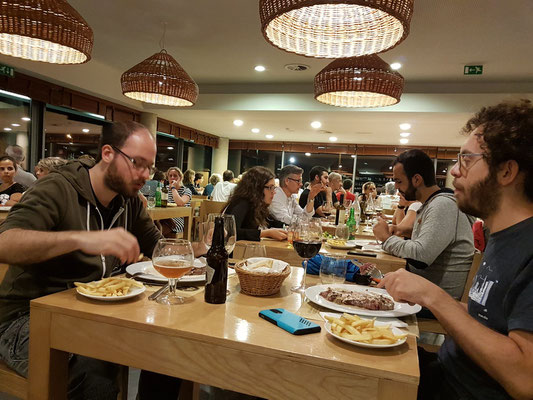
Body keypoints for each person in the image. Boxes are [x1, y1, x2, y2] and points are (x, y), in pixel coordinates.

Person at [0, 121, 180, 399]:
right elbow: (5, 243)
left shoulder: (128, 198)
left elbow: (159, 247)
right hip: (26, 318)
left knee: (166, 344)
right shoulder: (58, 187)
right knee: (94, 367)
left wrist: (201, 248)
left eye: (150, 167)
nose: (145, 174)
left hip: (86, 311)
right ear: (108, 153)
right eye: (137, 163)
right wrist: (80, 239)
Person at [378, 99, 533, 400]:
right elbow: (488, 319)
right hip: (446, 372)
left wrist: (430, 295)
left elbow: (525, 377)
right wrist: (421, 294)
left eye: (466, 160)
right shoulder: (504, 237)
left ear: (506, 172)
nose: (454, 171)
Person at [373, 149, 475, 301]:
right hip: (425, 293)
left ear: (417, 180)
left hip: (439, 303)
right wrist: (406, 231)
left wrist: (386, 239)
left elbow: (421, 257)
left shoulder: (443, 205)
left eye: (399, 181)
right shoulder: (432, 204)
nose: (396, 187)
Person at [224, 166, 287, 241]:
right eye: (270, 187)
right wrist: (266, 233)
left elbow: (273, 222)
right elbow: (230, 231)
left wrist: (289, 228)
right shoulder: (242, 203)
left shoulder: (257, 205)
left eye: (274, 188)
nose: (274, 192)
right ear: (257, 188)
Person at [160, 167, 192, 237]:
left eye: (175, 176)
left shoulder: (186, 190)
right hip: (164, 216)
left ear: (180, 177)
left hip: (179, 219)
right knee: (152, 224)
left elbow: (180, 203)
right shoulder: (165, 189)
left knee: (160, 228)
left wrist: (173, 188)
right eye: (170, 176)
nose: (172, 178)